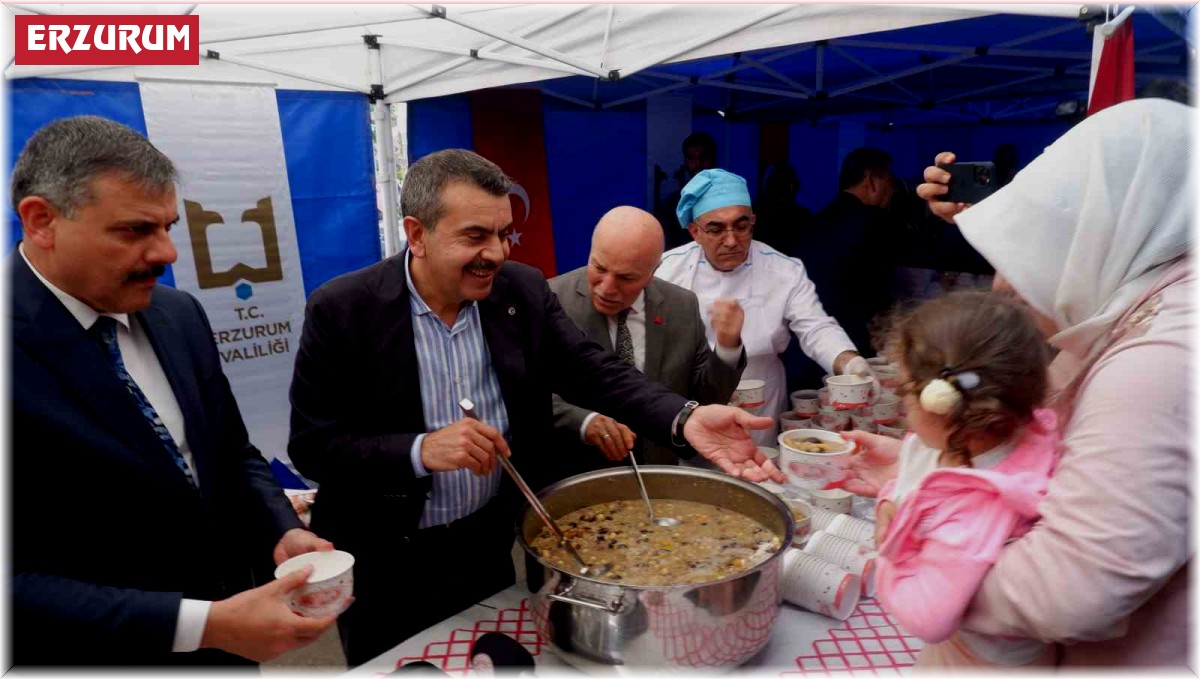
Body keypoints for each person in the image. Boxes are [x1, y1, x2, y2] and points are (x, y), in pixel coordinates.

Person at [287, 149, 784, 666]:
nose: (496, 253)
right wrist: (420, 449)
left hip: (485, 545)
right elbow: (314, 446)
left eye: (503, 234)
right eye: (475, 236)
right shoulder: (343, 309)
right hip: (387, 558)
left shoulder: (519, 290)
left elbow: (593, 371)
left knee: (492, 659)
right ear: (416, 234)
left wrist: (685, 416)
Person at [837, 99, 1192, 667]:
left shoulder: (1165, 358)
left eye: (1043, 241)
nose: (1003, 284)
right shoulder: (1148, 308)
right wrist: (928, 465)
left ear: (1106, 229)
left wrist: (914, 542)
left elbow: (1075, 590)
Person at [10, 115, 338, 666]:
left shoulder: (176, 314)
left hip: (233, 637)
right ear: (42, 221)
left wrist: (279, 530)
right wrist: (200, 624)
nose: (167, 253)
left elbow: (231, 452)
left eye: (168, 227)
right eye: (135, 230)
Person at [869, 291, 1059, 667]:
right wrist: (889, 502)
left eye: (904, 391)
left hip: (984, 660)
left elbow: (926, 616)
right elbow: (914, 481)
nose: (898, 402)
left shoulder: (981, 508)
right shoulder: (943, 443)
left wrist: (889, 551)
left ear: (941, 405)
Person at [656, 168, 870, 446]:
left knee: (757, 473)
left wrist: (849, 362)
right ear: (695, 231)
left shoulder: (783, 270)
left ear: (753, 222)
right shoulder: (666, 271)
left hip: (761, 395)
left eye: (741, 226)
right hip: (692, 397)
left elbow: (815, 327)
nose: (731, 240)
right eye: (716, 229)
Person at [548, 206, 746, 476]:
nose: (606, 288)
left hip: (659, 475)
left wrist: (727, 346)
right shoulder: (550, 299)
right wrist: (583, 421)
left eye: (626, 278)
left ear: (654, 270)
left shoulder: (681, 306)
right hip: (579, 477)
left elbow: (703, 401)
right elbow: (523, 394)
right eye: (599, 268)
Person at [654, 131, 718, 250]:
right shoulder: (672, 204)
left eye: (703, 157)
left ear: (713, 158)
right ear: (685, 162)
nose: (698, 163)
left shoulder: (728, 198)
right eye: (692, 158)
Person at [751, 161, 814, 255]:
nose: (782, 188)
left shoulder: (803, 218)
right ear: (768, 185)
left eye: (787, 183)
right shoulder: (754, 216)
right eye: (778, 182)